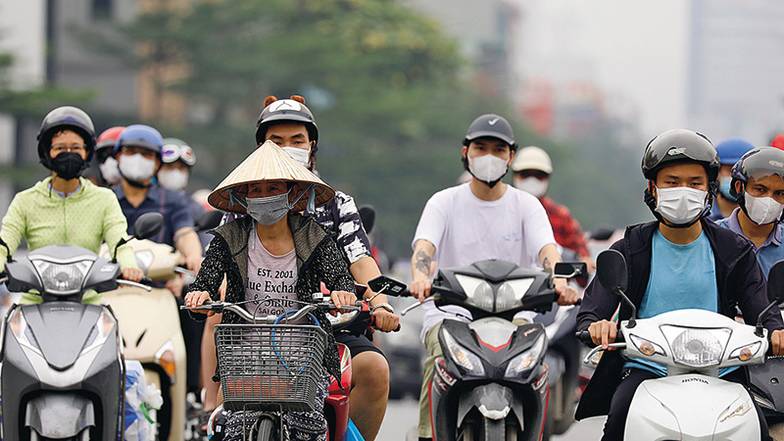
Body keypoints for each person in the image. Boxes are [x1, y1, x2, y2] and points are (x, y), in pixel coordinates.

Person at [201, 95, 399, 441]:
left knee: (375, 367)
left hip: (323, 324)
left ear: (312, 147)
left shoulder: (336, 204)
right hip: (255, 325)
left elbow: (359, 258)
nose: (287, 149)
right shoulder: (242, 201)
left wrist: (379, 301)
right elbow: (221, 263)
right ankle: (210, 408)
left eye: (297, 141)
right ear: (260, 148)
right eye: (276, 142)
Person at [576, 129, 784, 441]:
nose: (683, 191)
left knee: (757, 429)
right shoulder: (629, 248)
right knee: (618, 421)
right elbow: (590, 313)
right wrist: (597, 326)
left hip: (723, 371)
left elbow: (762, 310)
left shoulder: (734, 250)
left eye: (694, 183)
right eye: (672, 182)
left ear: (709, 189)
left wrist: (776, 332)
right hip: (648, 369)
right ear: (653, 187)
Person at [410, 113, 580, 441]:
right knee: (439, 361)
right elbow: (424, 248)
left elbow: (548, 251)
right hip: (450, 315)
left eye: (498, 149)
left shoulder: (527, 206)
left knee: (536, 368)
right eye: (481, 147)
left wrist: (559, 281)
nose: (489, 156)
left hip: (517, 316)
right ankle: (428, 434)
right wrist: (420, 276)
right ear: (465, 152)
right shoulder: (443, 202)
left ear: (510, 157)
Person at [184, 141, 357, 441]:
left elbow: (343, 281)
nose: (264, 197)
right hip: (244, 356)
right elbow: (204, 285)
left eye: (274, 187)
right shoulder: (229, 237)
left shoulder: (314, 235)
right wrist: (198, 298)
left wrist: (344, 295)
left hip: (305, 357)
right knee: (234, 431)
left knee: (309, 429)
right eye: (256, 190)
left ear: (291, 193)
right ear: (244, 197)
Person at [0, 106, 142, 303]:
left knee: (116, 332)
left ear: (87, 152)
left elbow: (119, 242)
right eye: (60, 148)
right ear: (47, 153)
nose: (68, 153)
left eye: (76, 148)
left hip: (89, 302)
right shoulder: (25, 200)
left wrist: (129, 265)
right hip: (33, 303)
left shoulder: (104, 199)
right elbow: (4, 244)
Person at [112, 124, 202, 273]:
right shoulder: (105, 198)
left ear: (157, 163)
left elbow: (184, 233)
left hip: (159, 284)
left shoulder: (173, 200)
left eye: (146, 154)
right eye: (131, 151)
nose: (138, 158)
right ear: (118, 156)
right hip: (108, 285)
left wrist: (193, 256)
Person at [511, 145, 593, 264]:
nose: (532, 180)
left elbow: (583, 261)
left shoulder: (561, 216)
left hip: (551, 281)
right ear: (515, 174)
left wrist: (581, 262)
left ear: (548, 178)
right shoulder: (501, 209)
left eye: (539, 175)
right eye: (526, 174)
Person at [717, 147, 784, 277]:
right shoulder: (713, 238)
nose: (769, 199)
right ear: (739, 187)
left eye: (779, 193)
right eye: (760, 189)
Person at [708, 137, 754, 220]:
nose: (736, 177)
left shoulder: (760, 217)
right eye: (730, 170)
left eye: (743, 172)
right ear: (717, 173)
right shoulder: (703, 215)